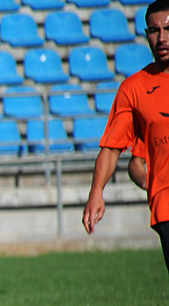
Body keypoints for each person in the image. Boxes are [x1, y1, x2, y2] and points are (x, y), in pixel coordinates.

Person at [84, 0, 169, 276]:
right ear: (146, 35)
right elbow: (112, 149)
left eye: (168, 29)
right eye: (155, 31)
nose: (162, 38)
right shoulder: (133, 89)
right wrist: (96, 191)